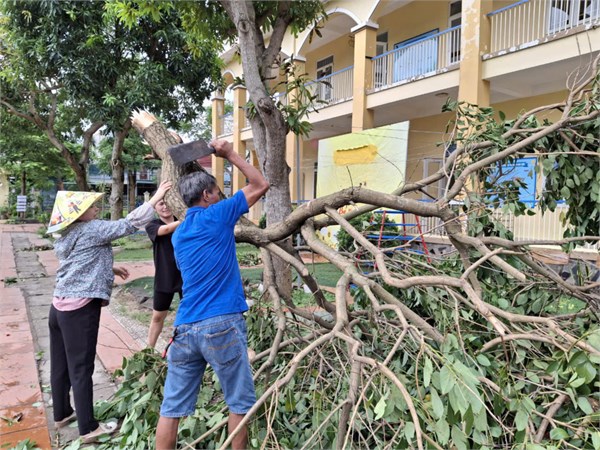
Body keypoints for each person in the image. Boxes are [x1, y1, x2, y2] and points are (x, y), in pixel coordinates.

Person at [155, 139, 269, 450]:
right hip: (221, 324)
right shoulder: (218, 214)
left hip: (185, 329)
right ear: (206, 195)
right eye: (217, 192)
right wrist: (230, 154)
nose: (220, 196)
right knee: (239, 403)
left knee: (171, 408)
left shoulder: (179, 234)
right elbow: (260, 184)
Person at [47, 181, 173, 444]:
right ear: (78, 214)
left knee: (60, 363)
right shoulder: (91, 228)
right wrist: (154, 199)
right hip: (80, 308)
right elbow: (128, 224)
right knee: (81, 367)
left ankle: (62, 413)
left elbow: (79, 259)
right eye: (91, 206)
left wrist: (110, 269)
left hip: (58, 307)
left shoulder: (66, 233)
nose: (96, 208)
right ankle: (88, 428)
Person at [145, 198, 182, 349]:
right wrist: (186, 219)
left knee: (190, 315)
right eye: (161, 204)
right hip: (164, 277)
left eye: (167, 203)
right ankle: (148, 351)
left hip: (187, 276)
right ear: (155, 208)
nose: (165, 206)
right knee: (158, 316)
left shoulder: (183, 221)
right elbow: (165, 230)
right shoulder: (152, 225)